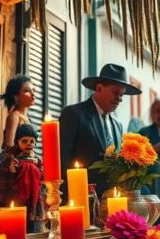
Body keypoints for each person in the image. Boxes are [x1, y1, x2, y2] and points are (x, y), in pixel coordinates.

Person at [59, 64, 141, 194]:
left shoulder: (117, 125)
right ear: (99, 88)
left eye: (122, 95)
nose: (119, 99)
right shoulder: (74, 114)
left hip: (112, 201)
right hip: (81, 197)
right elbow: (63, 159)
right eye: (115, 92)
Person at [0, 123, 42, 230]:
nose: (29, 144)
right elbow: (4, 180)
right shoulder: (11, 160)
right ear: (17, 141)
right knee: (18, 222)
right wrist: (12, 170)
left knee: (32, 222)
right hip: (16, 195)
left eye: (32, 141)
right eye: (24, 141)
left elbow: (42, 176)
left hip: (34, 195)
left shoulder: (37, 160)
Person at [1, 75, 35, 150]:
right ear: (16, 96)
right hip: (16, 160)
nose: (33, 94)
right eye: (27, 91)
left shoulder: (28, 118)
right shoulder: (14, 116)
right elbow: (9, 145)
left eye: (33, 90)